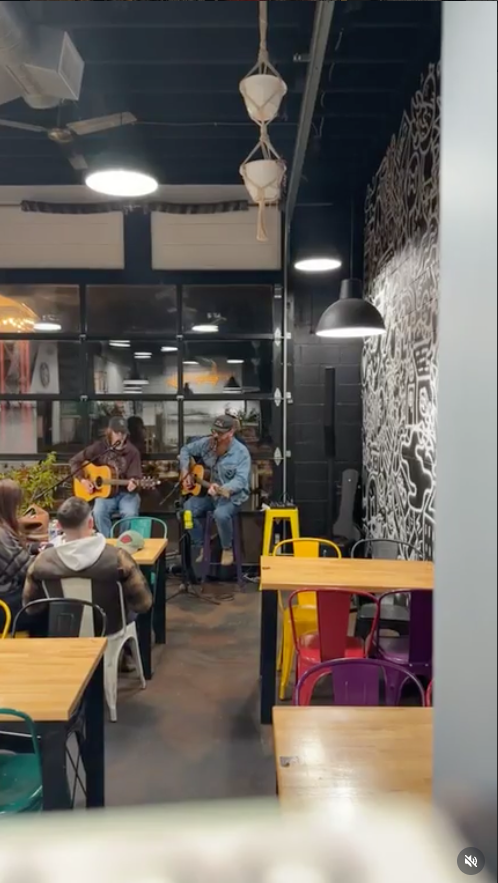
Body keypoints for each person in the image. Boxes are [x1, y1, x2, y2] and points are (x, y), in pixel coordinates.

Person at [23, 497, 152, 625]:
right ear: (91, 523)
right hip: (110, 630)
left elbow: (31, 607)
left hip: (63, 630)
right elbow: (143, 604)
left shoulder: (41, 561)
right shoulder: (119, 558)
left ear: (59, 526)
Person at [179, 414, 251, 567]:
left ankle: (227, 548)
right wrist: (185, 471)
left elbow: (240, 480)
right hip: (211, 495)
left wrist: (223, 489)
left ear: (231, 432)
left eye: (220, 433)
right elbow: (185, 450)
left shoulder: (241, 452)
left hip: (231, 497)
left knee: (220, 514)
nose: (215, 435)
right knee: (186, 511)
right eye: (214, 431)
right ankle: (201, 545)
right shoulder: (207, 444)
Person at [70, 416, 142, 538]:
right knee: (98, 512)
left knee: (130, 513)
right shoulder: (99, 447)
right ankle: (107, 542)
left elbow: (136, 476)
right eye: (117, 433)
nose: (121, 436)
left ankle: (123, 542)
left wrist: (134, 483)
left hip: (126, 494)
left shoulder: (132, 452)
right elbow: (75, 461)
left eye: (123, 433)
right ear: (110, 432)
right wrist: (83, 480)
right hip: (105, 494)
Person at [0, 479, 32, 625]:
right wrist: (51, 556)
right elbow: (28, 570)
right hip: (4, 607)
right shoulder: (2, 535)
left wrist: (33, 548)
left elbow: (12, 557)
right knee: (47, 601)